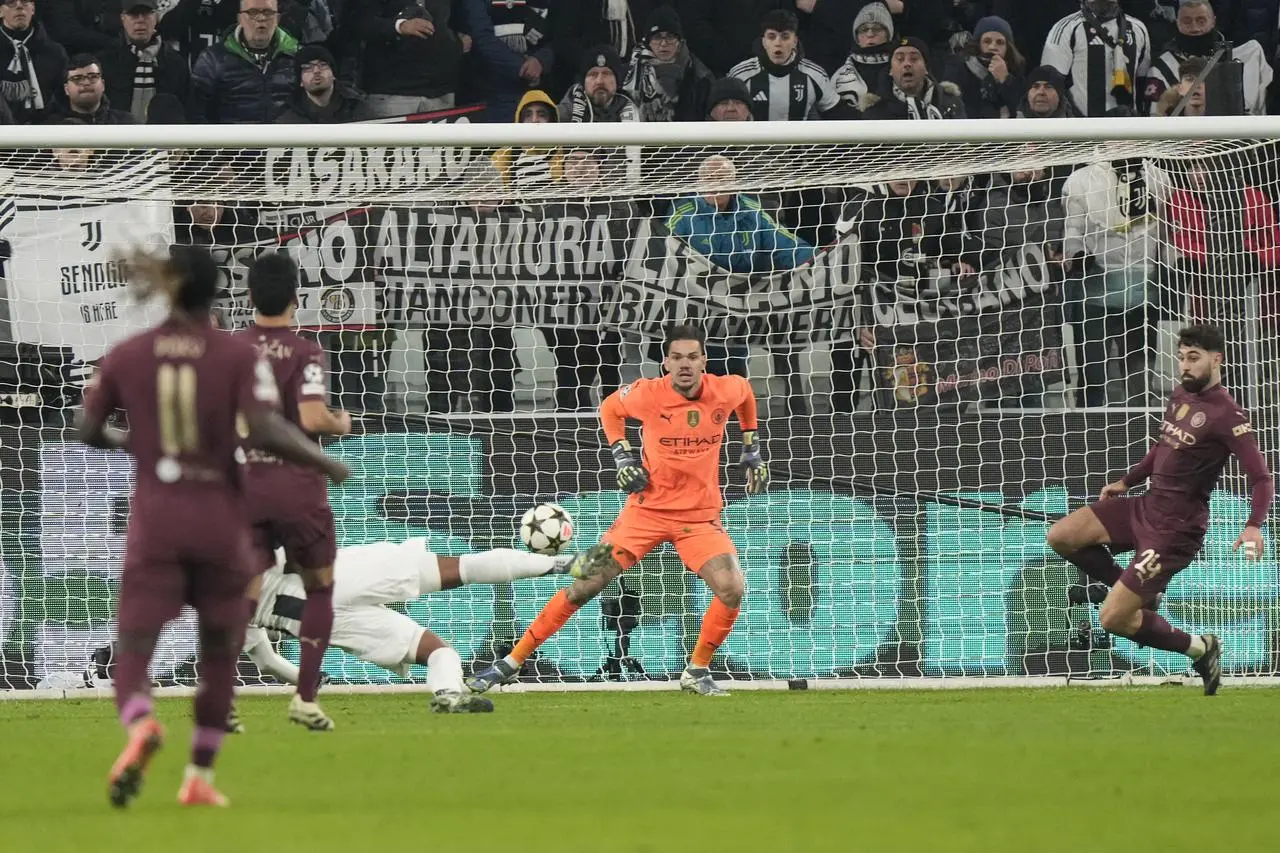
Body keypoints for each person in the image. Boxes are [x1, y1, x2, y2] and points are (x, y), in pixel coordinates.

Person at [77, 244, 348, 808]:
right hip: (221, 517)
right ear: (218, 294)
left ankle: (141, 722)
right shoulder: (233, 356)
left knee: (134, 646)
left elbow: (84, 427)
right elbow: (268, 425)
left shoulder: (129, 353)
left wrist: (139, 445)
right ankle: (199, 775)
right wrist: (325, 461)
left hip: (159, 519)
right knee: (223, 646)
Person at [468, 324, 768, 697]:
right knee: (584, 586)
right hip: (644, 514)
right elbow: (610, 407)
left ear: (704, 361)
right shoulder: (647, 394)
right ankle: (511, 662)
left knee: (731, 587)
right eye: (677, 358)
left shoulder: (726, 388)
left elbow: (746, 395)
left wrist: (751, 444)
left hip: (699, 518)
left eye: (692, 356)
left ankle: (697, 670)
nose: (685, 365)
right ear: (666, 363)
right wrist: (622, 455)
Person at [1046, 325, 1273, 696]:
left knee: (1113, 618)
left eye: (1193, 358)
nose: (1184, 365)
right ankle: (1139, 592)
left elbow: (1262, 478)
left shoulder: (1229, 416)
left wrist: (1253, 526)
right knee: (1062, 535)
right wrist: (1128, 481)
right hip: (1146, 505)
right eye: (1181, 356)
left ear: (1217, 360)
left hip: (1174, 531)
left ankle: (1201, 647)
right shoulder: (1181, 394)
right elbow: (1163, 447)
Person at [235, 538, 603, 719]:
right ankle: (564, 564)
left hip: (316, 621)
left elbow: (265, 659)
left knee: (438, 652)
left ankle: (449, 693)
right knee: (462, 569)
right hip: (337, 578)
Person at [236, 252, 352, 732]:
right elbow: (310, 418)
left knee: (242, 595)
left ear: (249, 297)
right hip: (299, 490)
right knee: (320, 589)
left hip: (245, 486)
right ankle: (305, 698)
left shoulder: (232, 350)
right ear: (296, 298)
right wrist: (340, 422)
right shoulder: (304, 352)